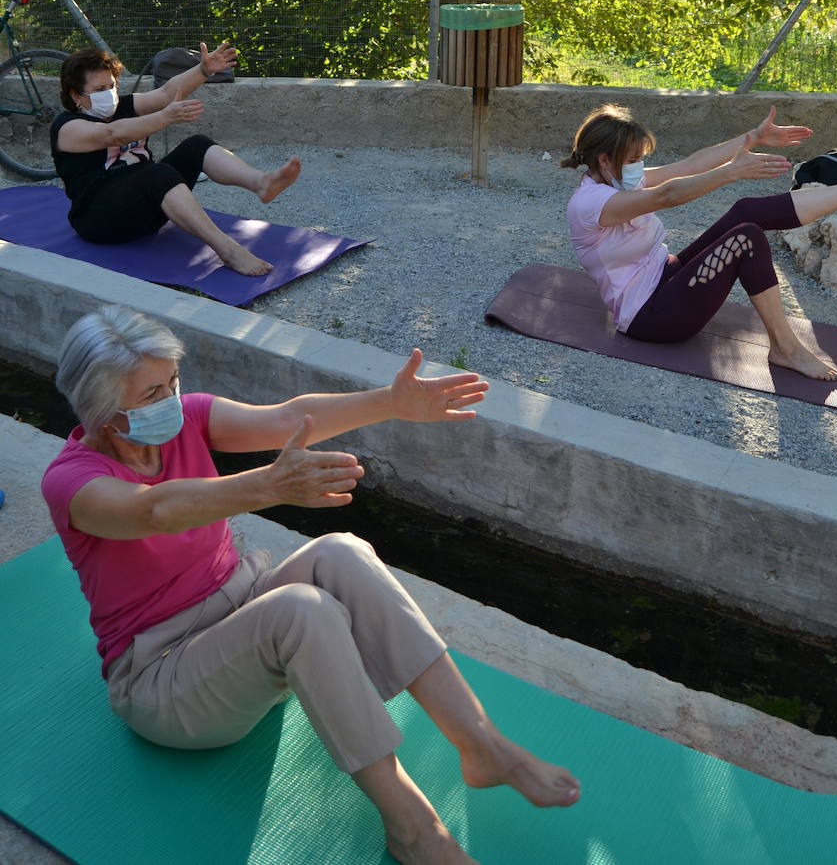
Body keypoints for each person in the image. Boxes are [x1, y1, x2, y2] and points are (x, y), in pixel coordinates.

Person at [42, 307, 580, 865]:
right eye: (153, 392)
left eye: (174, 382)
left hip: (244, 620)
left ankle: (483, 746)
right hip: (164, 677)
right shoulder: (72, 482)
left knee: (341, 552)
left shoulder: (188, 420)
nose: (172, 400)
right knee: (299, 608)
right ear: (106, 412)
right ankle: (413, 829)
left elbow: (289, 417)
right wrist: (269, 485)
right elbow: (155, 511)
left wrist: (391, 403)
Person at [563, 103, 837, 380]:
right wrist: (731, 171)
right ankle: (785, 348)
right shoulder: (591, 204)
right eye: (635, 160)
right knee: (745, 239)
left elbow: (690, 164)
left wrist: (753, 137)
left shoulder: (617, 180)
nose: (641, 167)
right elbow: (666, 195)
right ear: (604, 160)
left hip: (667, 279)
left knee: (746, 210)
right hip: (651, 317)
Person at [51, 43, 301, 275]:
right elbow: (111, 134)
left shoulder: (124, 106)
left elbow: (167, 93)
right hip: (100, 221)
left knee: (196, 145)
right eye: (99, 90)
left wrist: (203, 69)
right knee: (157, 173)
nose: (109, 94)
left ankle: (261, 182)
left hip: (145, 207)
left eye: (112, 86)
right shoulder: (68, 128)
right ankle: (229, 250)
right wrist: (164, 118)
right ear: (76, 95)